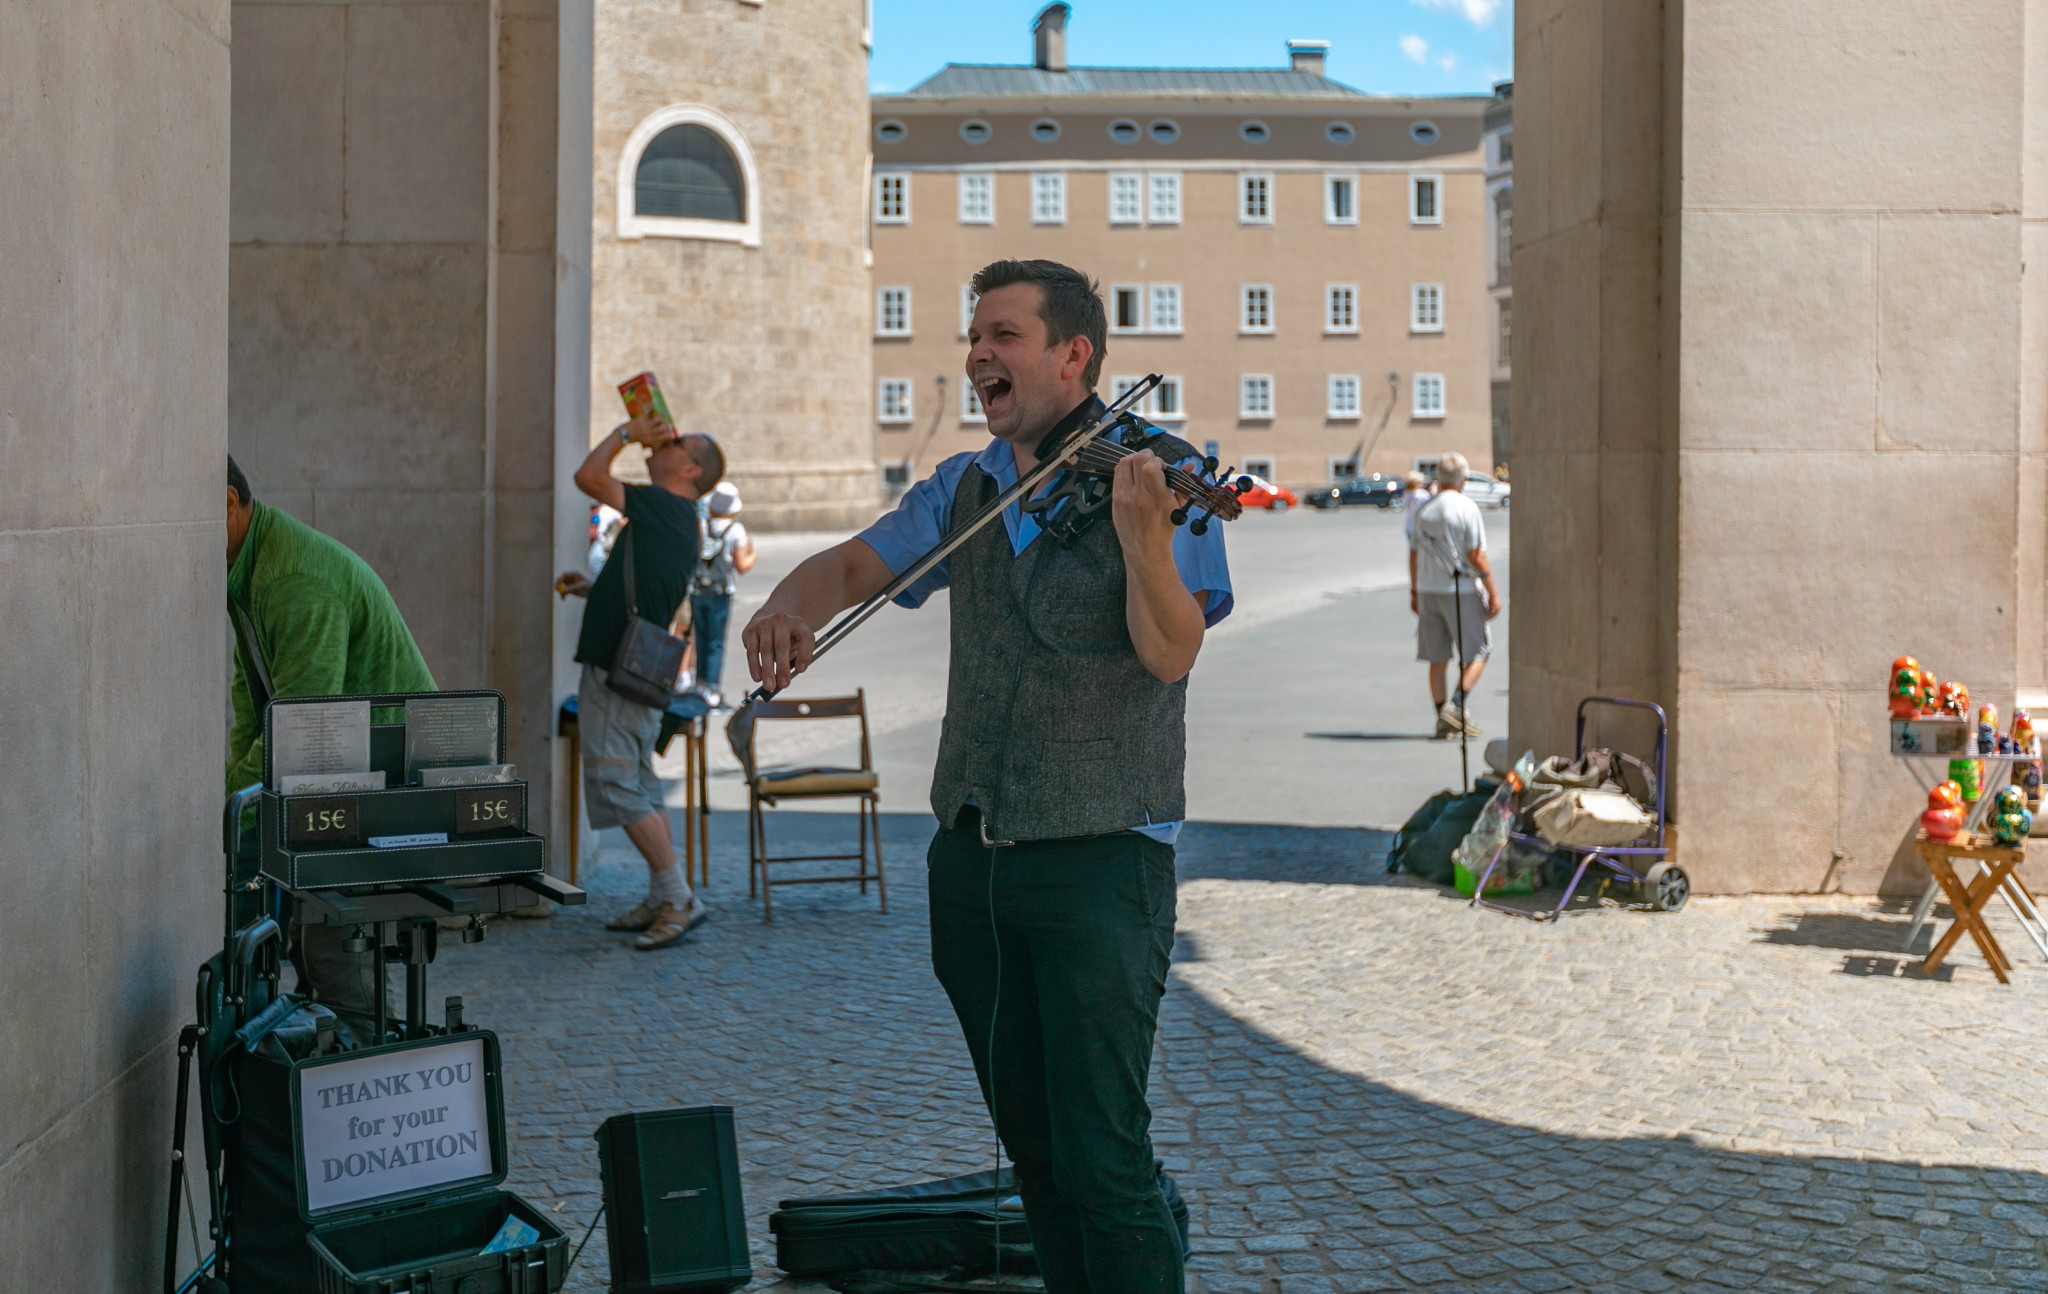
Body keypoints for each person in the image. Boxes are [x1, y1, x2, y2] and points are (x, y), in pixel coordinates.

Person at [743, 259, 1230, 1293]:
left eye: (1002, 335)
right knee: (1036, 1157)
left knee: (1103, 1156)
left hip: (1101, 859)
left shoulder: (1159, 476)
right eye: (975, 336)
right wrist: (791, 599)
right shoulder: (962, 488)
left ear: (1072, 354)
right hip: (972, 860)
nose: (977, 355)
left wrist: (1143, 541)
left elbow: (1169, 651)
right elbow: (852, 567)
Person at [225, 456, 437, 1032]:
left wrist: (226, 807)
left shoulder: (291, 580)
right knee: (306, 942)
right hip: (344, 772)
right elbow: (255, 704)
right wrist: (230, 799)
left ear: (226, 503)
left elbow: (302, 728)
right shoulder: (249, 565)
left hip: (384, 774)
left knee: (332, 947)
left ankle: (369, 1081)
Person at [555, 416, 726, 950]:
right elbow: (646, 591)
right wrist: (595, 589)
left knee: (617, 782)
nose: (664, 444)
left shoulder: (661, 507)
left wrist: (627, 433)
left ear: (691, 469)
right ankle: (661, 895)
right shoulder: (678, 518)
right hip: (638, 669)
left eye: (678, 444)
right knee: (640, 783)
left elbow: (588, 476)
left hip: (618, 670)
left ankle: (677, 898)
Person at [1409, 451, 1502, 739]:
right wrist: (1493, 593)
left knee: (1438, 657)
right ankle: (1457, 704)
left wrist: (1414, 590)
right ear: (1463, 479)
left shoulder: (1426, 509)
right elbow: (1476, 555)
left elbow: (1413, 554)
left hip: (1428, 588)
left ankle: (1441, 718)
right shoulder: (1466, 507)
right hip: (1459, 589)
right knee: (1479, 650)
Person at [686, 482, 755, 708]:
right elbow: (741, 565)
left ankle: (699, 685)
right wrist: (752, 553)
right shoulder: (735, 530)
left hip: (698, 589)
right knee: (715, 642)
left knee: (700, 638)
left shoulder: (701, 524)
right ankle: (713, 689)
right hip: (720, 592)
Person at [1401, 469, 1434, 546]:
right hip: (1419, 528)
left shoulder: (1407, 493)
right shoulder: (1420, 495)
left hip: (1409, 526)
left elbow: (1404, 506)